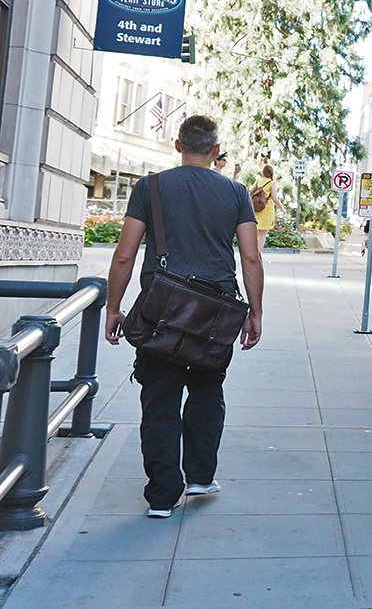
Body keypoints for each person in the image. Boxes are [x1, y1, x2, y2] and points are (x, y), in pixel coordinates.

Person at [102, 115, 264, 517]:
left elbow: (124, 255)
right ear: (216, 150)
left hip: (161, 310)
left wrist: (114, 307)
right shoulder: (236, 192)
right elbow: (250, 257)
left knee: (159, 398)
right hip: (215, 313)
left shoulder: (151, 187)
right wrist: (255, 312)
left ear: (177, 145)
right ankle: (199, 477)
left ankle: (162, 495)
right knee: (207, 391)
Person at [252, 164, 281, 249]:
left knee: (257, 234)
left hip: (256, 209)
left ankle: (253, 253)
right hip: (266, 210)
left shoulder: (258, 181)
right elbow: (274, 198)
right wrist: (282, 209)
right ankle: (258, 254)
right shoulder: (272, 183)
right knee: (263, 234)